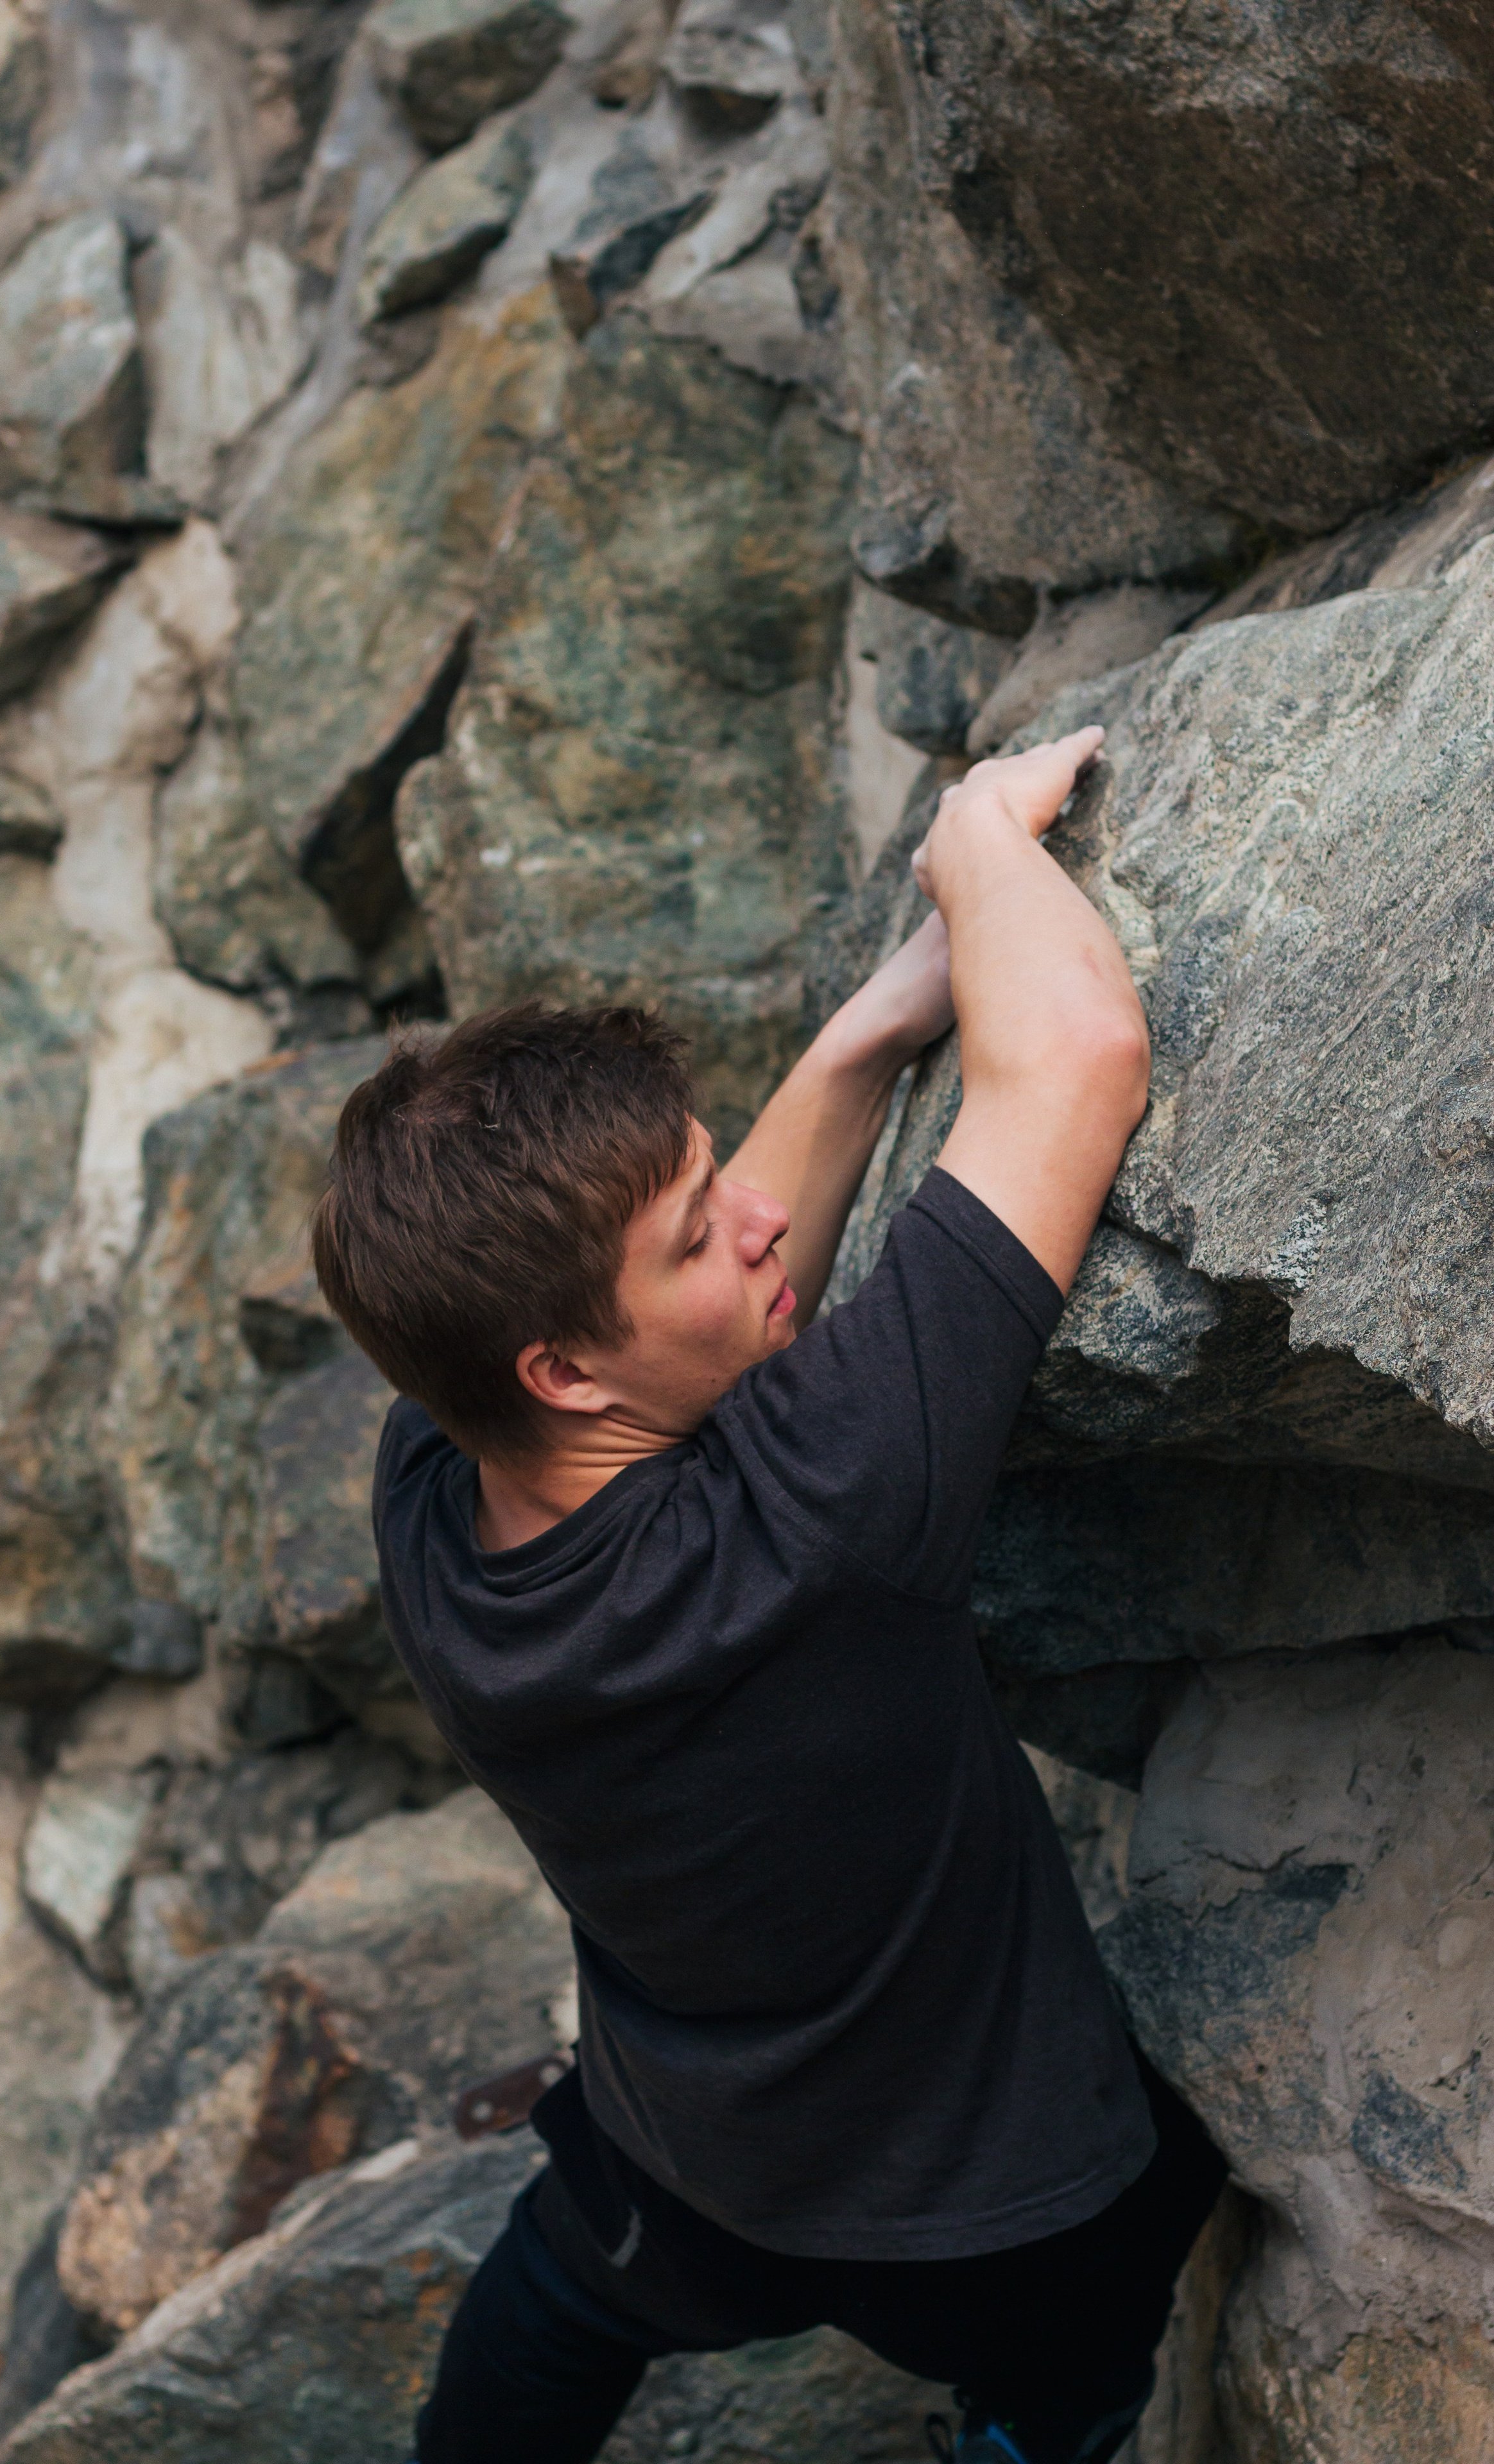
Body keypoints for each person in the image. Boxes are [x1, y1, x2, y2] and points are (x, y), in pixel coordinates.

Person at [312, 727, 1227, 2464]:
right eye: (691, 1237)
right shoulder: (818, 1508)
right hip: (998, 2215)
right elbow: (1084, 1059)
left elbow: (710, 1298)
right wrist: (972, 838)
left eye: (711, 1172)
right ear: (567, 1372)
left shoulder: (433, 1499)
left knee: (545, 2327)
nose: (752, 1225)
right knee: (1079, 2364)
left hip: (684, 2163)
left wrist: (881, 1028)